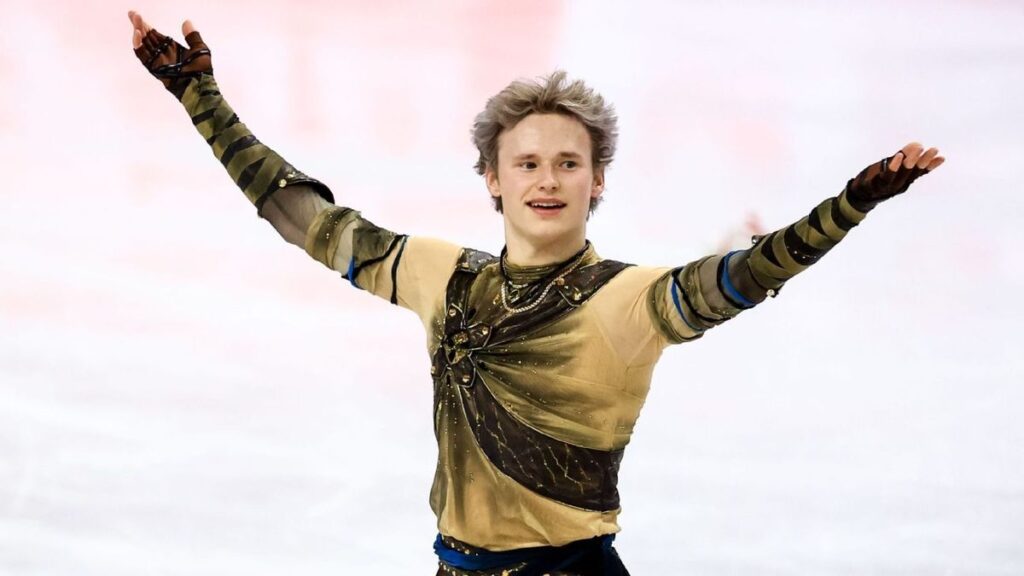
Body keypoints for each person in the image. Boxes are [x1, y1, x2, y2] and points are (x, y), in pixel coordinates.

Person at [127, 11, 945, 576]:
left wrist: (854, 201)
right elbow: (307, 218)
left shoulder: (629, 300)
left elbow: (744, 276)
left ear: (598, 183)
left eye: (568, 163)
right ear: (492, 178)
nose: (547, 180)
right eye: (527, 163)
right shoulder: (441, 274)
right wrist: (199, 95)